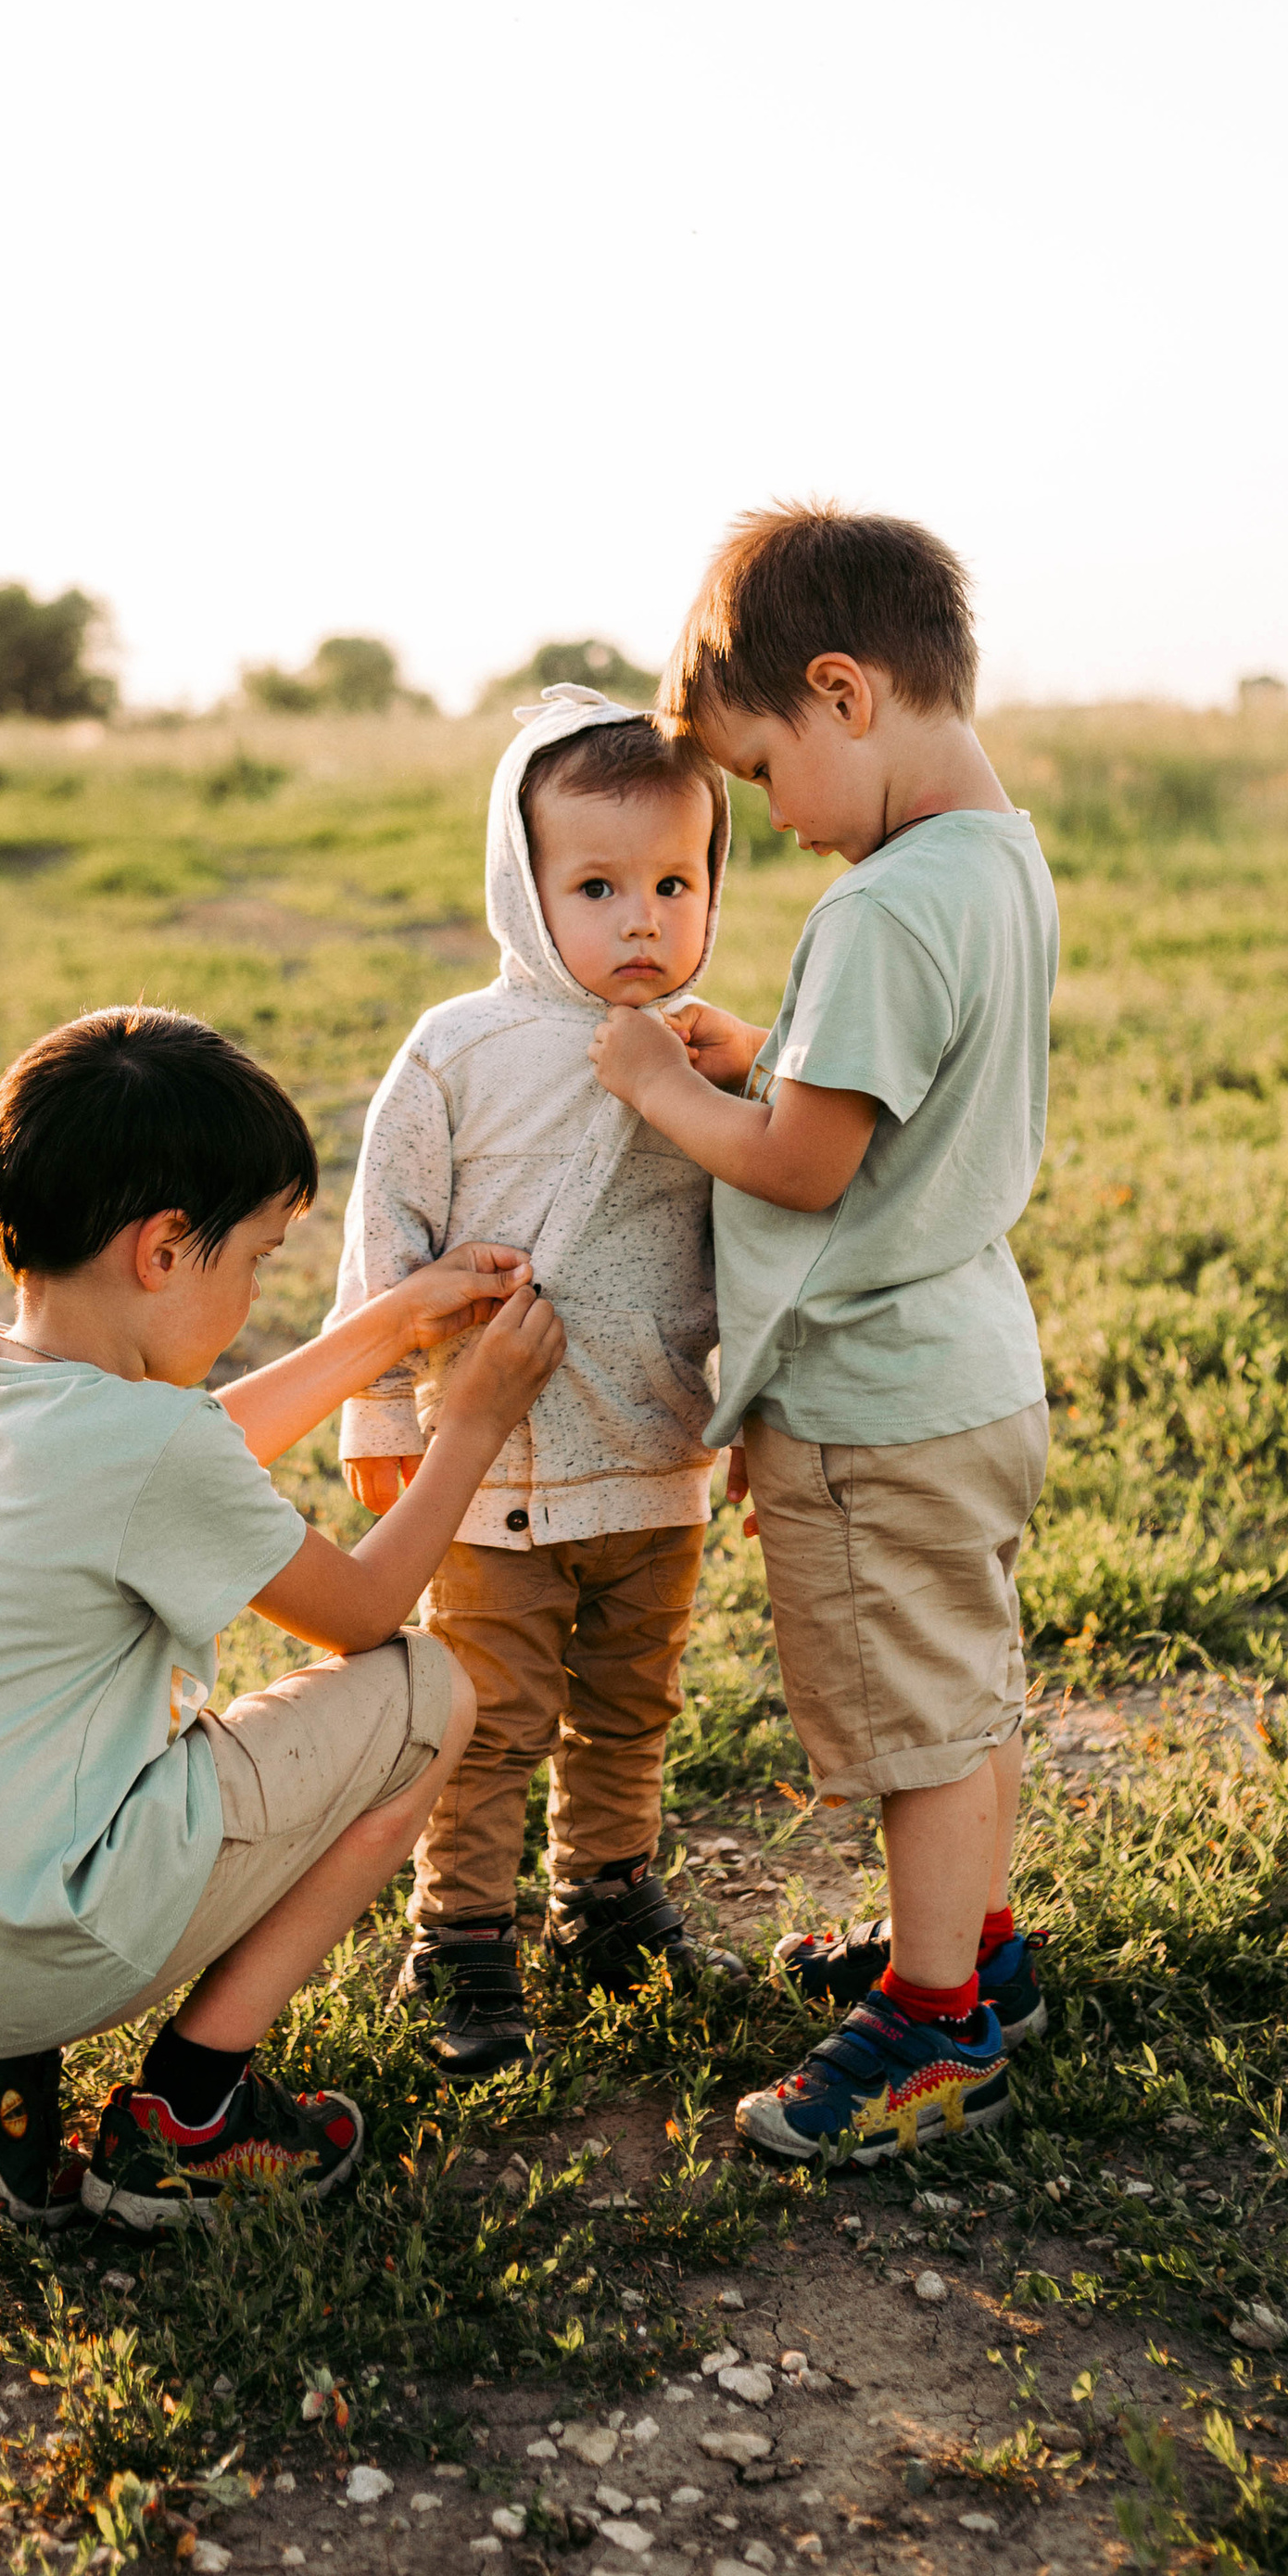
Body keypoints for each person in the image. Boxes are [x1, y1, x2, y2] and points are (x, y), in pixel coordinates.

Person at [0, 1002, 563, 2232]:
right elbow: (365, 1612)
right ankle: (189, 2115)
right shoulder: (147, 1449)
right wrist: (473, 1421)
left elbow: (188, 1446)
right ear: (165, 1250)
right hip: (42, 1937)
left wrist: (390, 1325)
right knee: (427, 1694)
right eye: (258, 1259)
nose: (257, 1291)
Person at [588, 504, 1058, 2164]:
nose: (774, 820)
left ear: (845, 694)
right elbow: (887, 1083)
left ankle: (936, 2028)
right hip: (971, 1365)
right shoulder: (998, 862)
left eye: (765, 770)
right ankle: (979, 1948)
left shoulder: (876, 910)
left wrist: (658, 1083)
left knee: (917, 1731)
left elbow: (806, 1161)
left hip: (872, 1404)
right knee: (963, 1692)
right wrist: (765, 1046)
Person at [329, 688, 731, 2076]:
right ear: (524, 884)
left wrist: (755, 1400)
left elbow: (753, 1236)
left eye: (674, 884)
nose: (642, 922)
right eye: (597, 887)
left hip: (656, 1447)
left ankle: (609, 1893)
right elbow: (384, 1234)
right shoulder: (460, 1049)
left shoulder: (708, 1055)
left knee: (631, 1699)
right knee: (492, 1719)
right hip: (494, 1462)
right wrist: (380, 1414)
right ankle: (462, 1934)